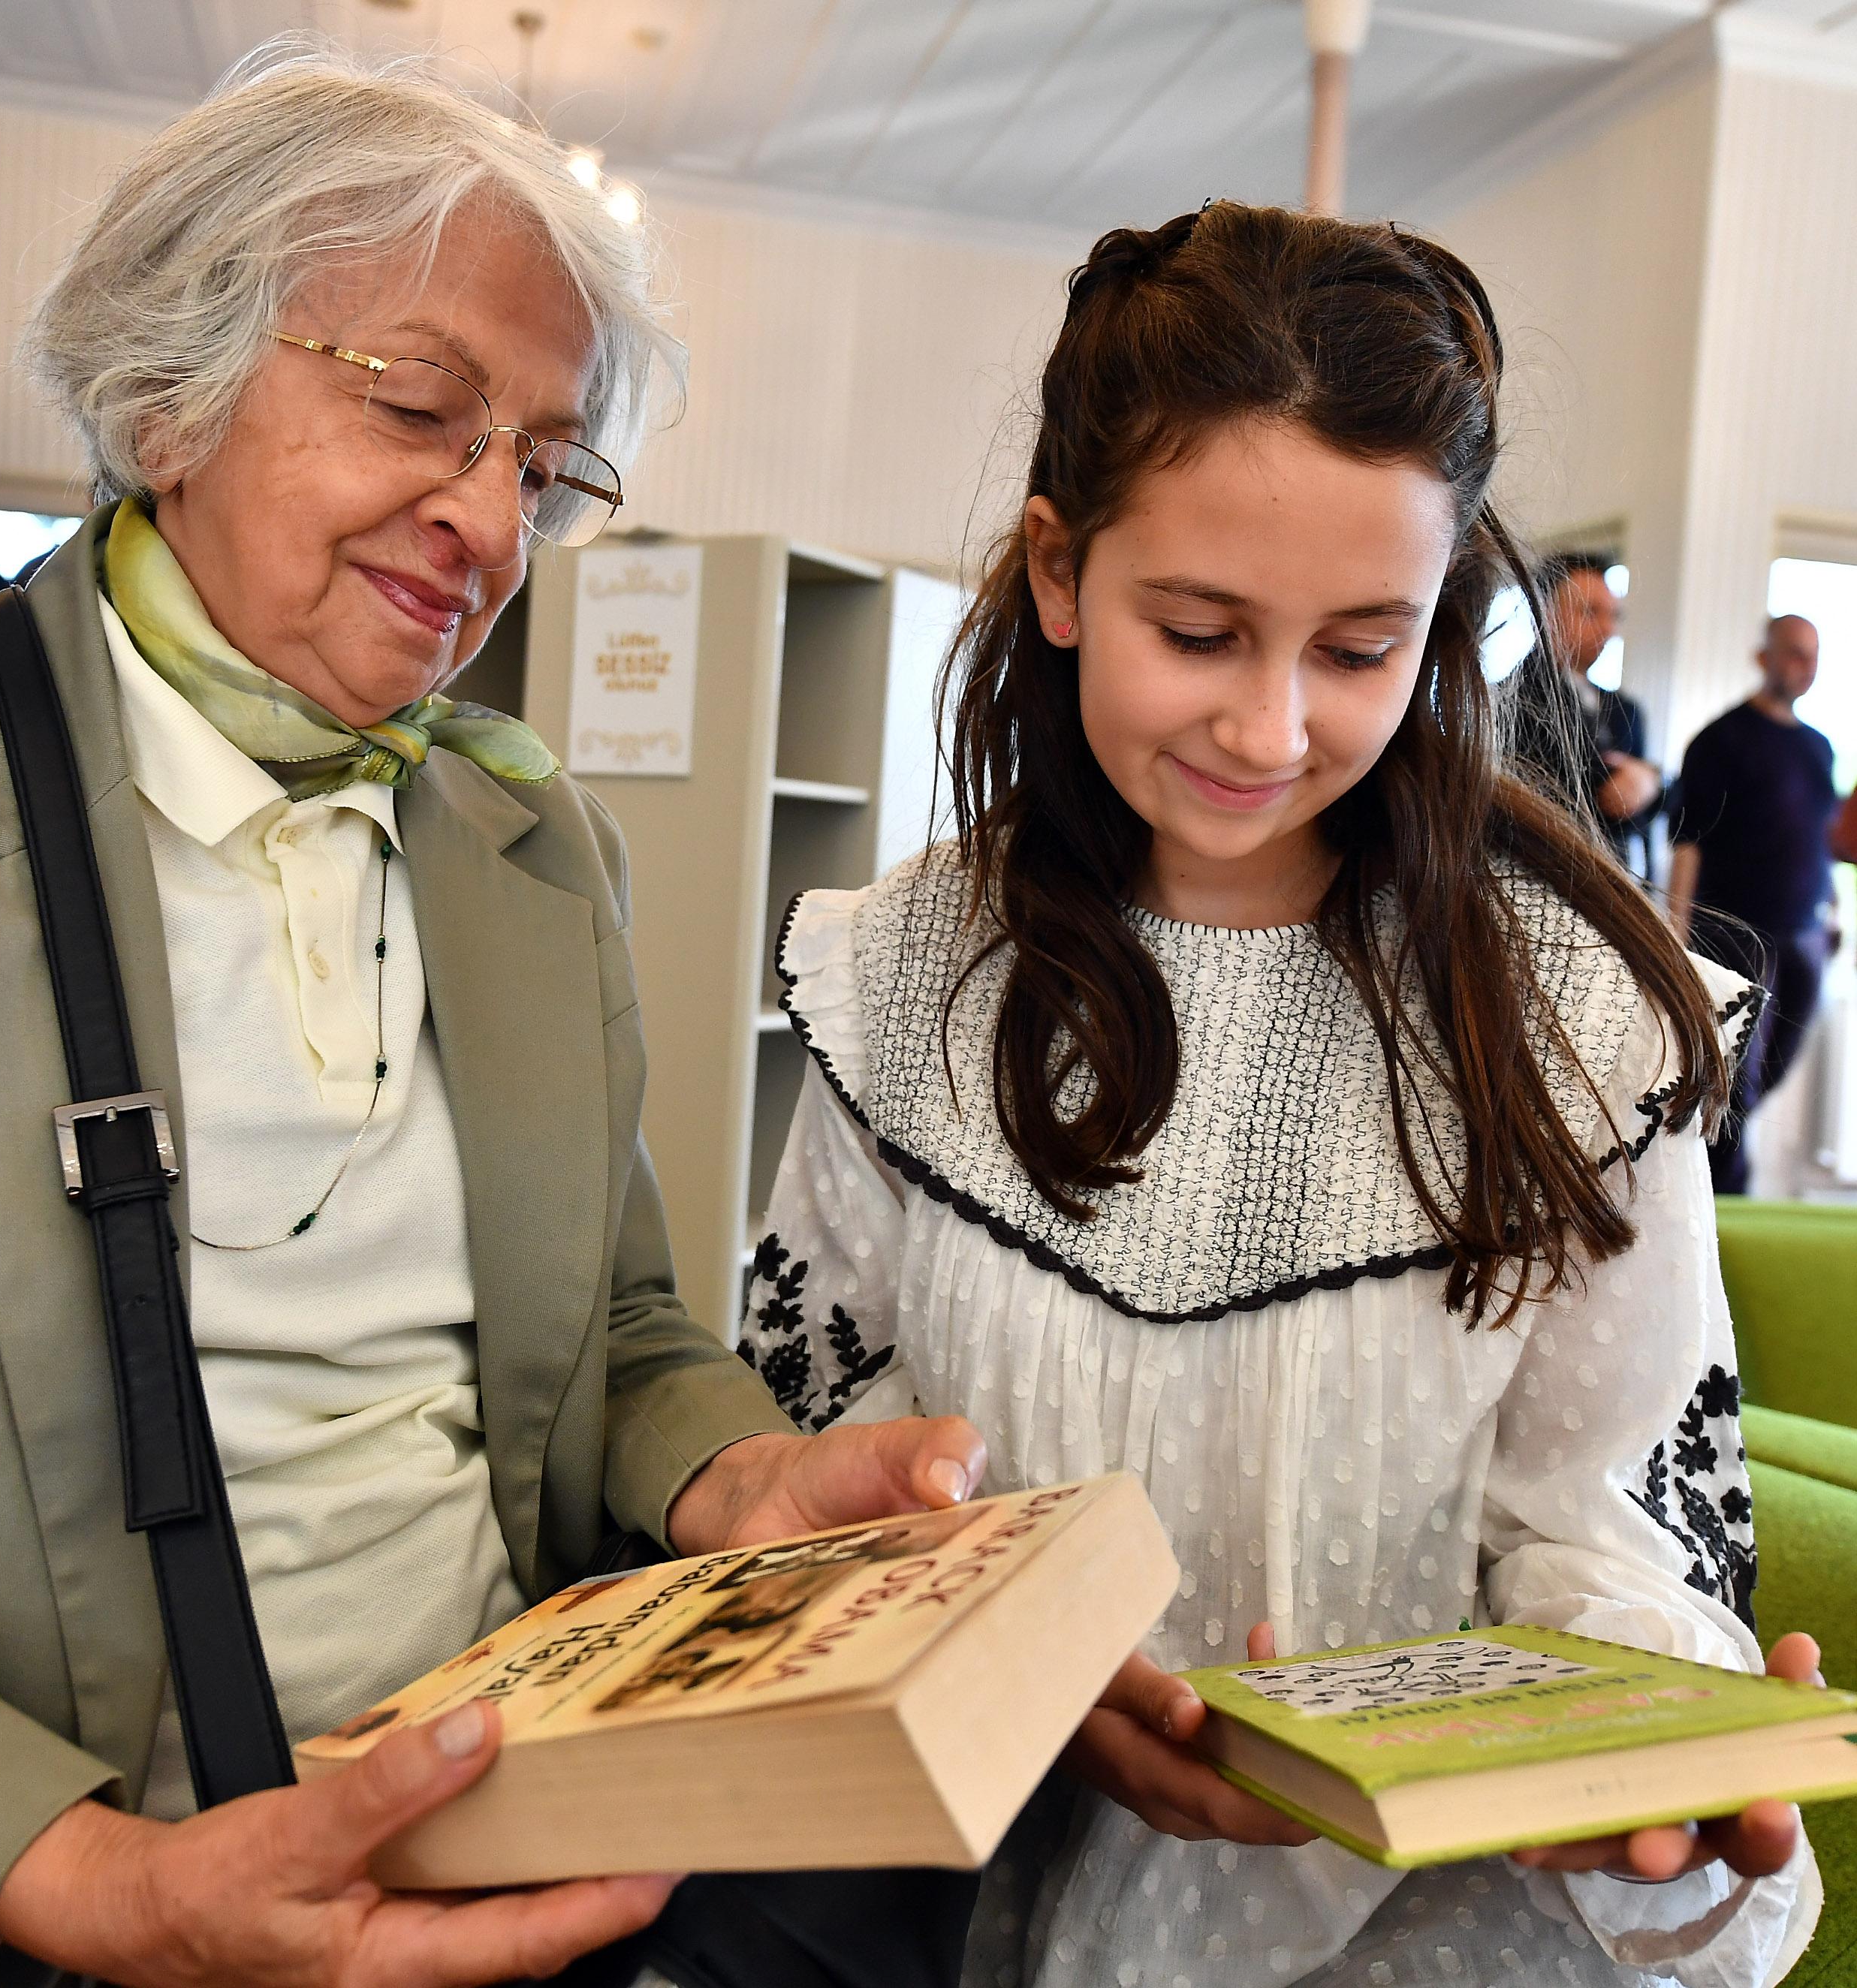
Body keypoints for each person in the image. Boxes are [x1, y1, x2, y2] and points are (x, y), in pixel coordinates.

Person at [0, 48, 986, 1988]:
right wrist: (113, 1891)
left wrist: (737, 1475)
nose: (489, 524)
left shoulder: (532, 842)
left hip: (471, 1883)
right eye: (427, 410)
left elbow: (603, 1333)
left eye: (541, 469)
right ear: (163, 387)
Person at [743, 203, 1822, 1988]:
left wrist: (1640, 1736)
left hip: (1454, 1933)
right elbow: (805, 1490)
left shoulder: (1570, 1026)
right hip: (968, 1910)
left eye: (1355, 650)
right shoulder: (898, 979)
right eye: (1199, 630)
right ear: (1061, 574)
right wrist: (1024, 1673)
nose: (1268, 729)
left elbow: (1603, 1528)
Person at [1667, 614, 1840, 1195]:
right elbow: (1688, 845)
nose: (1804, 667)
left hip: (1807, 934)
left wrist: (1832, 910)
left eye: (1812, 656)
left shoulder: (1818, 748)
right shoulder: (1720, 741)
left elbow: (1822, 837)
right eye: (1793, 653)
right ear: (1762, 656)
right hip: (1737, 936)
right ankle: (1726, 1200)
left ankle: (1720, 1173)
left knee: (1771, 1072)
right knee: (1733, 1078)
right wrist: (1676, 936)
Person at [1546, 552, 1664, 876]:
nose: (1608, 629)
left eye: (1613, 616)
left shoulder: (1627, 710)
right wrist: (1638, 781)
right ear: (1546, 613)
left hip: (1627, 883)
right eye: (1589, 612)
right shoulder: (1510, 699)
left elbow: (1669, 797)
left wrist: (1650, 781)